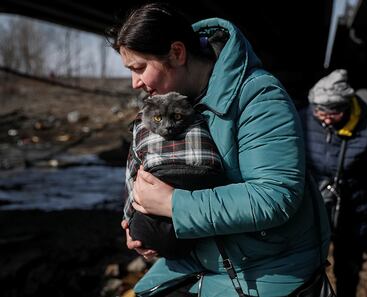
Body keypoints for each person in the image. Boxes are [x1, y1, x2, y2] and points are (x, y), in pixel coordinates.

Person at [109, 3, 330, 296]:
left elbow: (275, 196)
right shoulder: (174, 102)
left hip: (265, 271)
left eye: (139, 68)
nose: (135, 82)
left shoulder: (259, 96)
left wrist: (172, 204)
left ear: (177, 53)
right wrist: (147, 229)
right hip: (207, 262)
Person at [299, 69, 367, 297]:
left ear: (345, 107)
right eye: (319, 111)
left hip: (355, 210)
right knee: (307, 266)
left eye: (331, 113)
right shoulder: (303, 117)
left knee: (349, 268)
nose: (323, 117)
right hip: (314, 206)